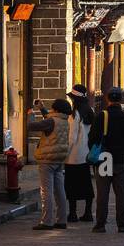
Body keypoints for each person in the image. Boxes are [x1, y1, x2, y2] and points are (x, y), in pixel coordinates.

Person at [87, 87, 124, 233]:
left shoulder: (101, 116)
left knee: (103, 193)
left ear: (107, 99)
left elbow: (92, 139)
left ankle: (100, 224)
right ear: (121, 100)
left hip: (104, 158)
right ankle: (121, 224)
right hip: (121, 159)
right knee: (121, 193)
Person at [27, 99, 72, 231]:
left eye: (52, 109)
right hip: (59, 159)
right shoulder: (64, 121)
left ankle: (47, 221)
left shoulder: (51, 121)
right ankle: (62, 219)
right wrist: (42, 109)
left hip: (47, 159)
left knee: (46, 191)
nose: (51, 111)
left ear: (56, 110)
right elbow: (49, 119)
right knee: (60, 191)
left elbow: (32, 126)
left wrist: (30, 114)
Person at [65, 84, 95, 223]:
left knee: (71, 185)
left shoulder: (74, 114)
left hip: (74, 155)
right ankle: (88, 212)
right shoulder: (90, 111)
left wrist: (65, 153)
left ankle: (72, 213)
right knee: (86, 183)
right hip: (86, 153)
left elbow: (72, 137)